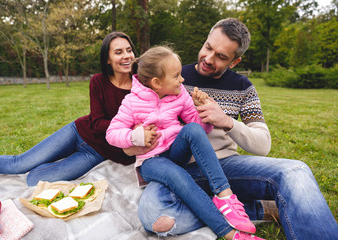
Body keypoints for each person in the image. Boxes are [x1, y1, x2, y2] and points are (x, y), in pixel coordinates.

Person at [137, 18, 338, 240]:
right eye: (208, 47)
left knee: (296, 171)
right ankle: (256, 210)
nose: (208, 58)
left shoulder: (243, 87)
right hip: (179, 171)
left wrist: (227, 121)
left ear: (234, 61)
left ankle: (231, 205)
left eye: (221, 56)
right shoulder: (173, 77)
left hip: (225, 168)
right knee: (153, 215)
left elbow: (263, 145)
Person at [106, 46, 263, 239]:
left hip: (175, 153)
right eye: (177, 75)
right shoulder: (131, 102)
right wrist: (137, 136)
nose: (182, 79)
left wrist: (201, 109)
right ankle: (230, 233)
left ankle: (224, 196)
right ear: (157, 82)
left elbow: (199, 128)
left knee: (192, 129)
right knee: (177, 175)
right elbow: (112, 133)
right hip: (151, 161)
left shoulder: (179, 94)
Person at [0, 32, 158, 186]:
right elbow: (96, 122)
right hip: (78, 132)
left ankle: (42, 162)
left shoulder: (143, 86)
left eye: (129, 50)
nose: (127, 56)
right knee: (19, 164)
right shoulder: (98, 81)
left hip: (97, 152)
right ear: (108, 60)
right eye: (118, 52)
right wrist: (131, 130)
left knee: (34, 179)